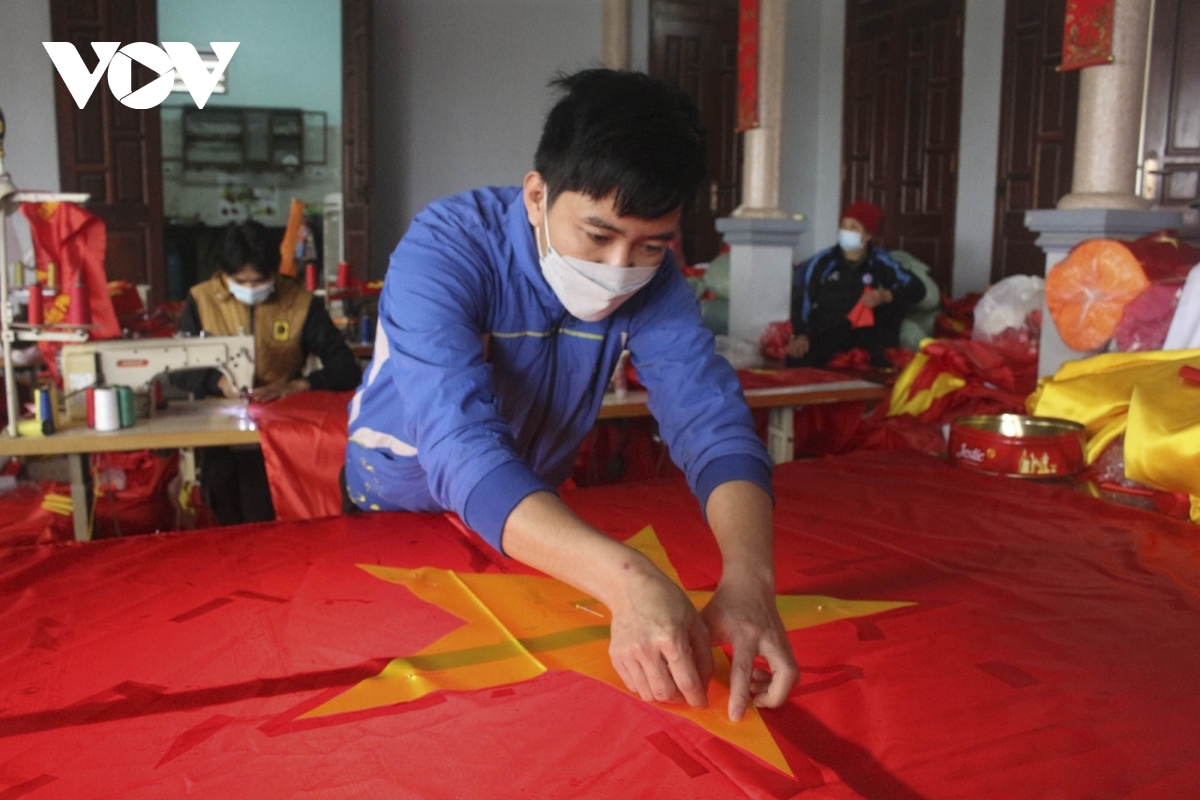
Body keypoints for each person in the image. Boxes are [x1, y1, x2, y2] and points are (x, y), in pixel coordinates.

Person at [343, 69, 797, 721]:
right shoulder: (444, 251)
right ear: (536, 195)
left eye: (652, 244)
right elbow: (462, 450)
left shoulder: (654, 278)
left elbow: (711, 421)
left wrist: (751, 578)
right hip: (394, 513)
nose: (619, 272)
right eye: (598, 235)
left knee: (531, 720)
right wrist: (629, 581)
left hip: (532, 525)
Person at [173, 220, 361, 524]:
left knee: (269, 506)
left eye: (258, 281)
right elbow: (178, 370)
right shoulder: (201, 300)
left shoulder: (298, 303)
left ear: (274, 272)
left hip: (282, 427)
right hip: (218, 426)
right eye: (240, 281)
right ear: (225, 275)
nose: (250, 290)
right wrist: (216, 381)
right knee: (223, 506)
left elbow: (346, 369)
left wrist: (297, 386)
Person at [787, 201, 926, 368]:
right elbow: (802, 299)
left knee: (894, 305)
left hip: (867, 334)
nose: (846, 232)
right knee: (797, 360)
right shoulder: (822, 262)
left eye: (853, 227)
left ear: (867, 236)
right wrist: (801, 334)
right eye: (843, 226)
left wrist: (885, 296)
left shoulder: (880, 261)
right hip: (828, 331)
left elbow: (917, 289)